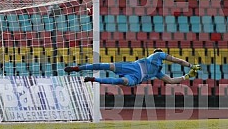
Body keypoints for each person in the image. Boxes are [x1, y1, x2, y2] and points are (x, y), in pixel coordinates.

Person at [64, 48, 201, 86]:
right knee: (107, 66)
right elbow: (177, 61)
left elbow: (171, 81)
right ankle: (78, 68)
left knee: (119, 80)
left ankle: (93, 79)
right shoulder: (158, 56)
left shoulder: (158, 73)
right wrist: (190, 66)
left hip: (135, 76)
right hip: (132, 67)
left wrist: (187, 75)